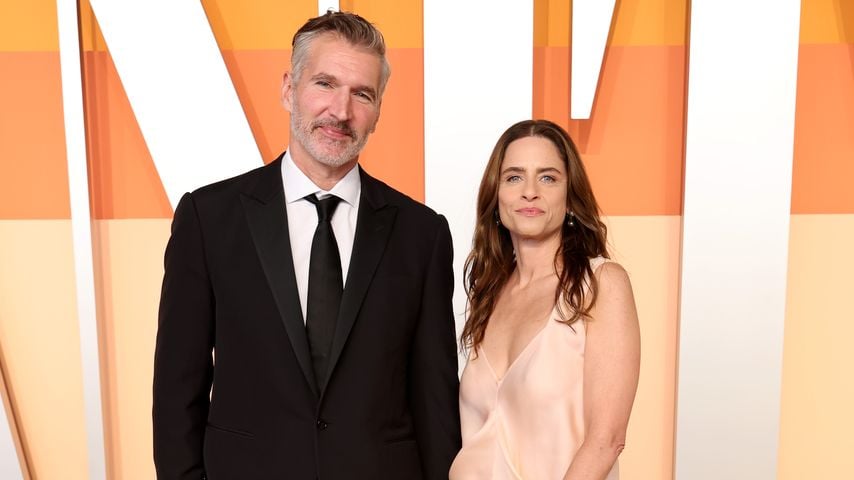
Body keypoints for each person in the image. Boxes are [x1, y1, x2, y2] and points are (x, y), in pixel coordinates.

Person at [153, 11, 460, 479]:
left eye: (362, 94)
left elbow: (434, 401)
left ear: (378, 111)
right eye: (325, 84)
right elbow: (177, 392)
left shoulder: (422, 234)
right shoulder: (209, 218)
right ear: (288, 89)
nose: (341, 111)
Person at [449, 120, 640, 480]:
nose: (530, 192)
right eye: (514, 177)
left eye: (548, 178)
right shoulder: (490, 293)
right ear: (496, 196)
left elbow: (606, 439)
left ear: (570, 198)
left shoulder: (602, 285)